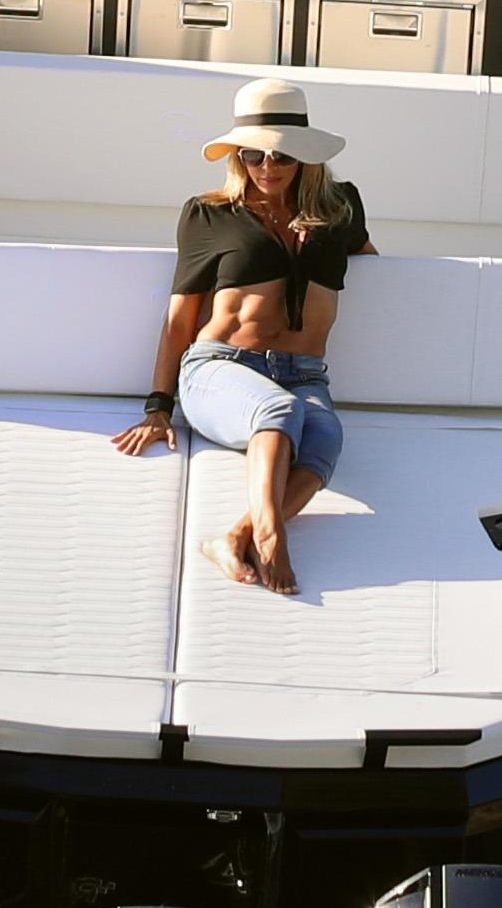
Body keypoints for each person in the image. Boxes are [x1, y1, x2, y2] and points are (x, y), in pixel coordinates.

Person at [116, 72, 363, 592]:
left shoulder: (339, 207)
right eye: (253, 155)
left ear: (305, 157)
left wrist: (318, 247)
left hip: (304, 373)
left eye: (282, 155)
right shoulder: (209, 213)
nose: (267, 167)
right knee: (280, 411)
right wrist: (159, 407)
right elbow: (180, 318)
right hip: (221, 368)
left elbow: (375, 263)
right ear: (238, 157)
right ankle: (272, 539)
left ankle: (234, 536)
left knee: (326, 438)